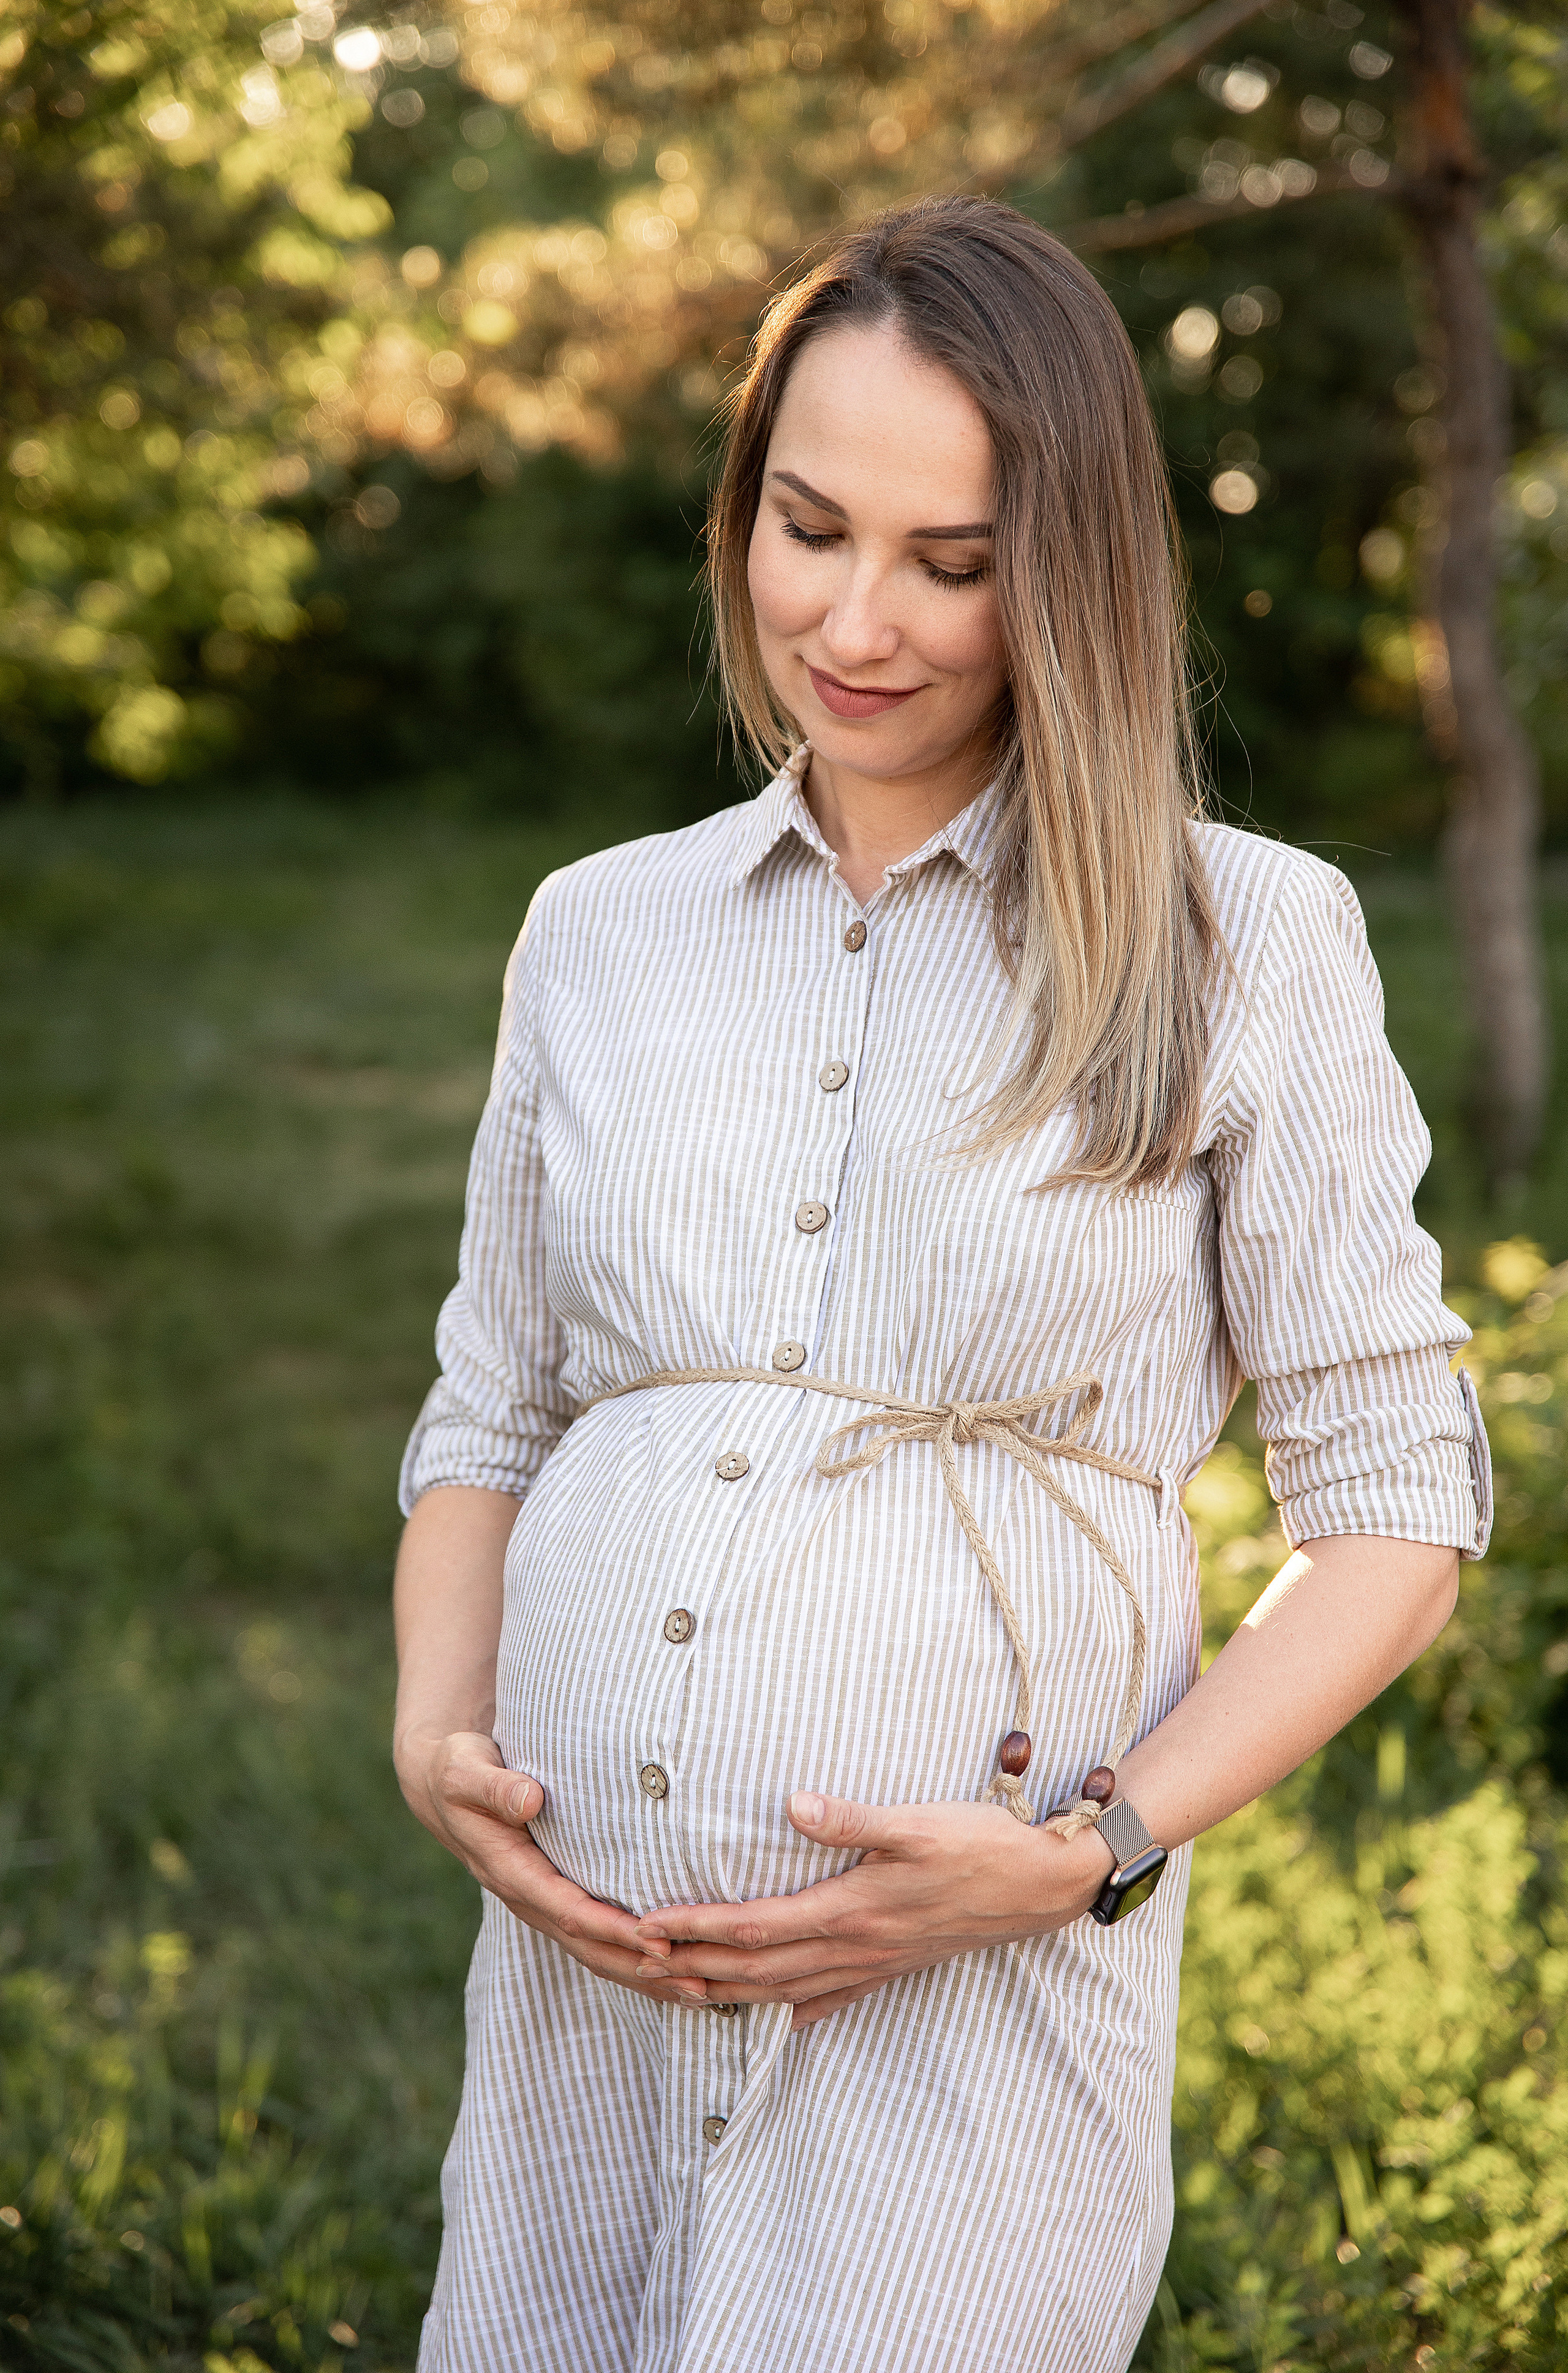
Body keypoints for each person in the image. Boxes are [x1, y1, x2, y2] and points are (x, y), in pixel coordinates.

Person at [391, 195, 1491, 2373]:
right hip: (581, 1999)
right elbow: (491, 1412)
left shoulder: (1241, 940)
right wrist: (436, 1732)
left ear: (1068, 575)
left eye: (954, 563)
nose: (856, 620)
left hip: (973, 2007)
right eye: (808, 528)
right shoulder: (600, 930)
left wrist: (1087, 1850)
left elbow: (1397, 1511)